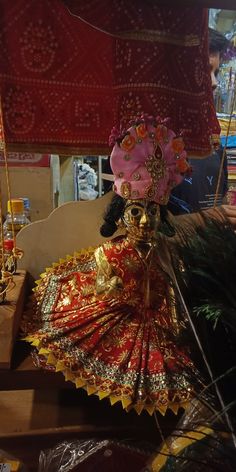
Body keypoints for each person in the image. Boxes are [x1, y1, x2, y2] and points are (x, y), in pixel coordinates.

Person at [22, 115, 206, 416]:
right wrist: (113, 289)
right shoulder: (110, 254)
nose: (145, 221)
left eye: (152, 212)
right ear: (121, 216)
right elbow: (101, 288)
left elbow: (175, 294)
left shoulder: (168, 254)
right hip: (117, 319)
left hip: (158, 322)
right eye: (136, 212)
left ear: (162, 217)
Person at [168, 28, 230, 216]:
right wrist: (209, 219)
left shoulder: (214, 142)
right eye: (205, 70)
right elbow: (140, 226)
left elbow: (221, 197)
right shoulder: (151, 143)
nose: (214, 82)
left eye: (216, 72)